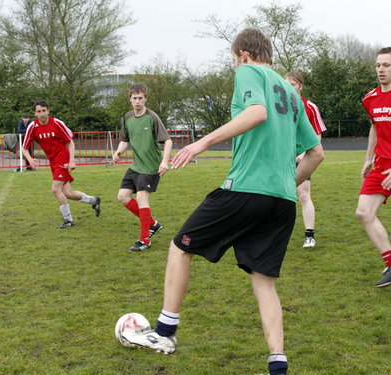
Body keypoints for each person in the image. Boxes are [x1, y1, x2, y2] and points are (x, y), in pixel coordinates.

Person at [122, 28, 324, 375]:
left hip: (245, 189)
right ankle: (278, 363)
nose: (234, 65)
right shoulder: (291, 94)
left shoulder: (248, 70)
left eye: (233, 59)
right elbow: (316, 154)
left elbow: (257, 112)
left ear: (243, 53)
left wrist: (201, 143)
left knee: (179, 248)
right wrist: (285, 185)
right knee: (264, 282)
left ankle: (166, 333)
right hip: (282, 203)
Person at [112, 83, 172, 252]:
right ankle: (152, 224)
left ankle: (145, 240)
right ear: (130, 99)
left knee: (141, 199)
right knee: (122, 197)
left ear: (145, 99)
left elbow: (167, 140)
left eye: (140, 98)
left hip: (150, 167)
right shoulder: (128, 117)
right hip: (136, 166)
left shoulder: (152, 117)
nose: (137, 101)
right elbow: (125, 140)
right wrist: (118, 152)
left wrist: (164, 161)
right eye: (134, 98)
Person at [22, 100, 101, 228]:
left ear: (48, 111)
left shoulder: (57, 123)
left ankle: (68, 220)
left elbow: (70, 141)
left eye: (44, 111)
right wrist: (30, 159)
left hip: (63, 159)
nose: (41, 114)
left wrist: (72, 160)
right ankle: (94, 200)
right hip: (53, 162)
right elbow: (24, 148)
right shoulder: (33, 127)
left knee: (55, 189)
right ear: (34, 113)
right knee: (68, 193)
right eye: (38, 111)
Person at [356, 47, 391, 288]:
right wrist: (369, 157)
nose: (381, 69)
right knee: (364, 213)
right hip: (381, 164)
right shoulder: (370, 99)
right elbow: (374, 127)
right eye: (378, 65)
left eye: (387, 65)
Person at [285, 72, 327, 248]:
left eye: (293, 84)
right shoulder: (279, 105)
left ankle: (309, 236)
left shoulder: (309, 106)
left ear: (300, 86)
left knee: (303, 195)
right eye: (286, 84)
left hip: (302, 158)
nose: (289, 88)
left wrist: (304, 154)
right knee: (278, 196)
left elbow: (317, 134)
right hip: (281, 158)